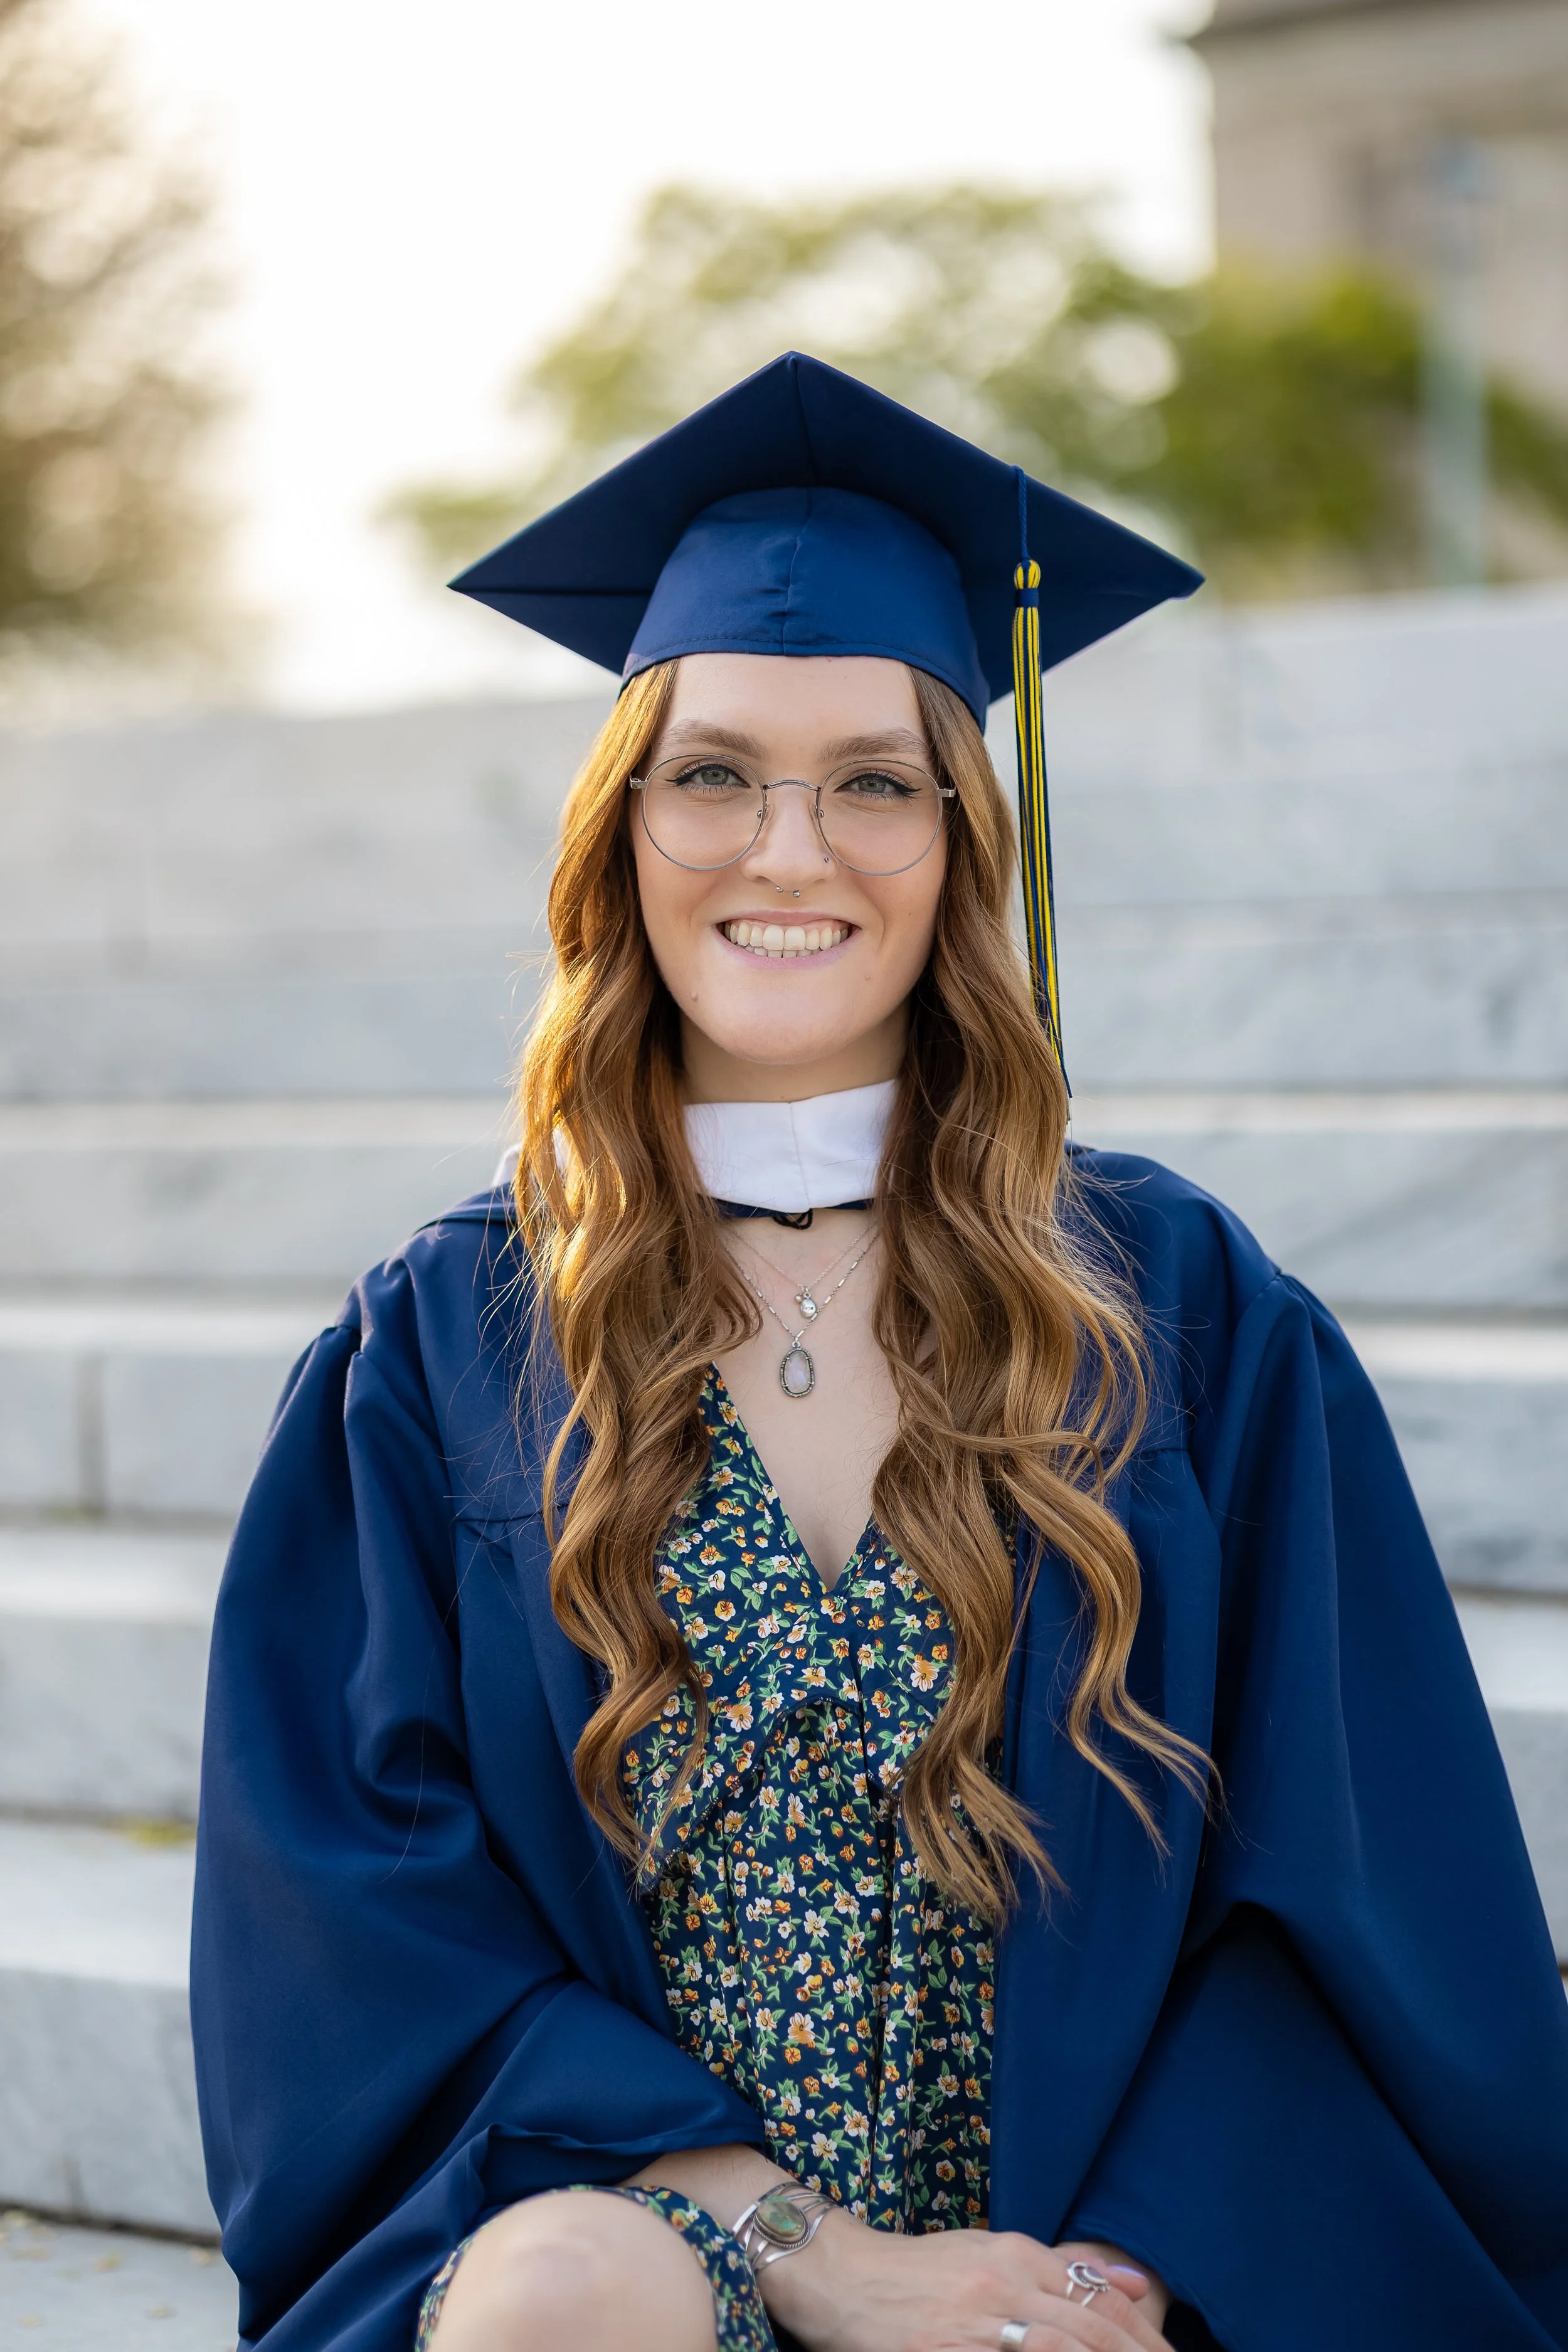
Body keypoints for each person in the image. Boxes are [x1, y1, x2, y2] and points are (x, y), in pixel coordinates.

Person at [191, 354, 1568, 2352]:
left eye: (871, 777)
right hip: (672, 2233)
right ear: (622, 828)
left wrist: (1093, 2276)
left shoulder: (1171, 1304)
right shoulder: (450, 1337)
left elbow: (1352, 1862)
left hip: (1084, 2251)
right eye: (716, 771)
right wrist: (808, 2250)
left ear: (962, 840)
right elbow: (358, 1921)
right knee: (556, 2295)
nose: (788, 848)